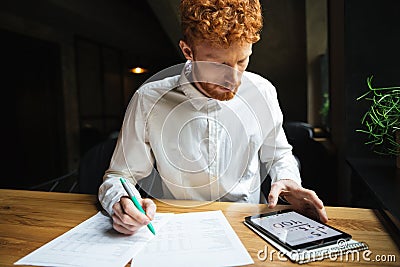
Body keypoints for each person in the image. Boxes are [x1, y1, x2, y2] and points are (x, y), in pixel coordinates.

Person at [99, 0, 328, 235]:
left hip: (248, 227)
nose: (234, 80)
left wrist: (288, 180)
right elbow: (119, 176)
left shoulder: (263, 92)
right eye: (219, 65)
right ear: (188, 51)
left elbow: (279, 154)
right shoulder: (148, 99)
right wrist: (121, 203)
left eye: (241, 61)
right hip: (179, 230)